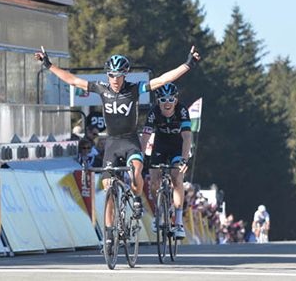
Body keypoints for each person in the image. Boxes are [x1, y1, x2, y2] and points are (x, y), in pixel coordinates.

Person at [35, 44, 201, 247]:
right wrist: (48, 64)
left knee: (136, 171)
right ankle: (109, 233)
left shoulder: (134, 89)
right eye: (111, 75)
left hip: (130, 141)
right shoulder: (101, 88)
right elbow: (73, 80)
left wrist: (187, 64)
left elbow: (162, 80)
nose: (115, 79)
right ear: (108, 75)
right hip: (112, 144)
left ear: (126, 75)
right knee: (108, 189)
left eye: (119, 75)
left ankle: (138, 199)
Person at [140, 83, 191, 239]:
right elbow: (145, 136)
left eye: (170, 99)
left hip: (178, 147)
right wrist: (140, 157)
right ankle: (159, 211)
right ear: (158, 101)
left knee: (176, 176)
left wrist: (184, 159)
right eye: (163, 99)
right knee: (153, 179)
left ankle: (179, 222)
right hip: (160, 147)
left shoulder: (182, 110)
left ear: (176, 101)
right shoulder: (153, 112)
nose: (167, 103)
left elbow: (187, 136)